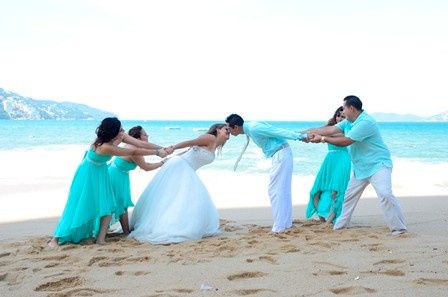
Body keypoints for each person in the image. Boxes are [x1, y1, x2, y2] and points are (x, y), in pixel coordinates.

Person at [48, 117, 170, 247]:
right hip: (88, 173)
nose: (122, 130)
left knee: (107, 205)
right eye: (119, 128)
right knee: (78, 203)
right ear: (113, 131)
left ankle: (101, 240)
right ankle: (55, 239)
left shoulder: (117, 137)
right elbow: (133, 151)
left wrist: (163, 149)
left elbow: (140, 144)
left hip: (101, 172)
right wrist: (157, 153)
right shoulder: (104, 146)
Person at [307, 95, 407, 235]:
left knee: (385, 194)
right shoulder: (348, 121)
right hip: (361, 168)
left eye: (344, 109)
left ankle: (399, 228)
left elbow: (347, 140)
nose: (343, 112)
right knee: (349, 197)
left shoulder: (366, 122)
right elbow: (331, 130)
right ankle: (340, 226)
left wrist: (322, 139)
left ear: (351, 108)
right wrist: (307, 133)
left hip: (378, 165)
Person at [129, 123, 230, 244]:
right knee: (180, 198)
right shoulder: (210, 138)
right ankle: (171, 226)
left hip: (185, 167)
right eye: (226, 129)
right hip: (181, 166)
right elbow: (189, 142)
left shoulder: (216, 144)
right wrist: (172, 148)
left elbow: (189, 151)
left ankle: (179, 223)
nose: (228, 131)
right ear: (218, 130)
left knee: (182, 199)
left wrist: (169, 159)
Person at [225, 114, 307, 233]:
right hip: (281, 154)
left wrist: (301, 137)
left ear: (236, 127)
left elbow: (278, 131)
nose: (228, 131)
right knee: (282, 190)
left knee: (275, 190)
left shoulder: (253, 127)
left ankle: (279, 227)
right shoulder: (249, 129)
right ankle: (285, 224)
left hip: (281, 154)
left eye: (229, 128)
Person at [108, 125, 166, 235]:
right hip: (117, 176)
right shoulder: (134, 149)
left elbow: (147, 153)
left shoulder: (132, 146)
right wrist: (162, 163)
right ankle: (126, 232)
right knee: (121, 203)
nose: (147, 135)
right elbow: (146, 167)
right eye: (145, 134)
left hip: (119, 174)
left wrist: (162, 150)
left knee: (119, 202)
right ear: (138, 139)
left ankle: (124, 231)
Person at [305, 106, 351, 223]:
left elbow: (339, 137)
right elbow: (317, 134)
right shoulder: (328, 129)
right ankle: (322, 217)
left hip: (343, 160)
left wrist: (322, 136)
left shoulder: (348, 130)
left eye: (343, 116)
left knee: (336, 191)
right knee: (317, 191)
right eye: (339, 115)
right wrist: (303, 136)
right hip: (329, 160)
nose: (340, 118)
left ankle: (330, 219)